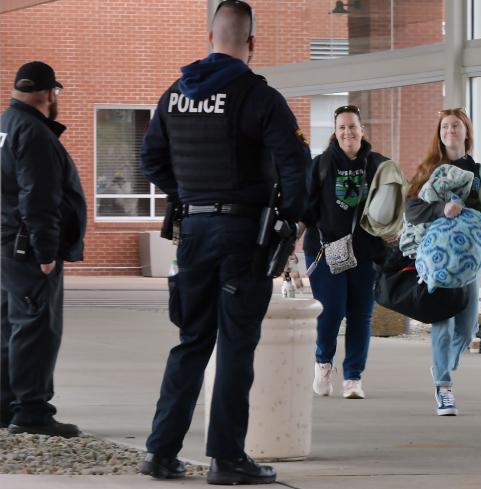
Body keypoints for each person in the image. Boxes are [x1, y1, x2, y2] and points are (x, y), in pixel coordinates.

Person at [138, 1, 308, 484]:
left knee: (192, 341)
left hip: (192, 233)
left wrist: (189, 195)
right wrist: (293, 222)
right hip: (242, 236)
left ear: (210, 37)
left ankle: (160, 452)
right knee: (235, 345)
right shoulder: (258, 96)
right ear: (251, 42)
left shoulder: (175, 95)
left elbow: (150, 160)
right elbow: (294, 164)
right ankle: (227, 458)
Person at [405, 108, 481, 415]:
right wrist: (442, 210)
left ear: (466, 132)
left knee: (465, 331)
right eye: (445, 126)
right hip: (436, 263)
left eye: (456, 125)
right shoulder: (429, 171)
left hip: (468, 265)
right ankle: (443, 386)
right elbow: (411, 212)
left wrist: (475, 220)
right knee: (442, 323)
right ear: (439, 134)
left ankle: (443, 366)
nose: (450, 130)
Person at [1, 61, 86, 438]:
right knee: (36, 327)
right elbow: (38, 196)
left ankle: (7, 405)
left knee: (10, 326)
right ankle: (32, 410)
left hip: (6, 244)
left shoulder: (4, 126)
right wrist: (46, 251)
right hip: (27, 249)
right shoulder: (33, 132)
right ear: (50, 93)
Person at [302, 105, 389, 400]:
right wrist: (288, 251)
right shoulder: (321, 165)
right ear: (335, 132)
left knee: (361, 315)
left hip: (366, 252)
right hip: (326, 250)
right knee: (331, 311)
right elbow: (306, 210)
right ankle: (323, 363)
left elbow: (395, 202)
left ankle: (353, 378)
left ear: (362, 130)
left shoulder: (378, 165)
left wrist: (395, 230)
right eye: (342, 127)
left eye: (352, 126)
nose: (348, 132)